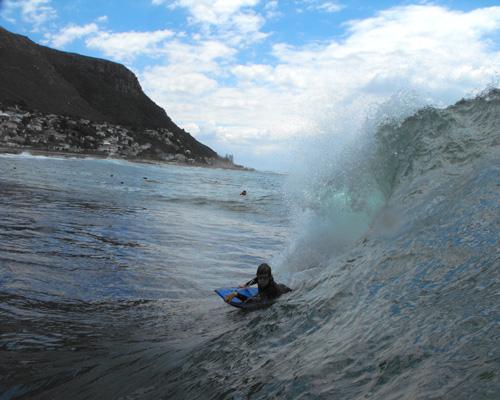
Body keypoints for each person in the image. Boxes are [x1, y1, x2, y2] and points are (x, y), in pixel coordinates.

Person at [224, 263, 291, 304]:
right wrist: (246, 285)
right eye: (260, 278)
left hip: (284, 291)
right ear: (257, 275)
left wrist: (236, 294)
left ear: (269, 277)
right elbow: (255, 279)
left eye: (265, 278)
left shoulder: (270, 289)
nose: (262, 281)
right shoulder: (259, 279)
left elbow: (251, 301)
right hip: (279, 286)